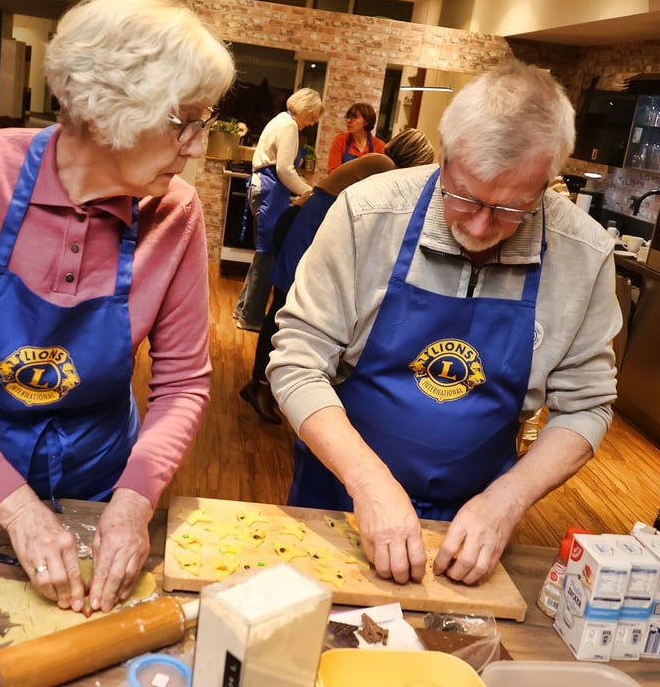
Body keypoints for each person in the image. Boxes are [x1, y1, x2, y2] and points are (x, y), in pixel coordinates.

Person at [0, 0, 235, 614]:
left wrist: (133, 502)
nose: (199, 146)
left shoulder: (176, 213)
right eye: (186, 122)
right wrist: (16, 510)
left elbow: (182, 384)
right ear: (105, 111)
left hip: (91, 489)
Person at [267, 61, 621, 587]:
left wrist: (506, 501)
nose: (481, 226)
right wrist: (368, 483)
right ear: (445, 153)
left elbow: (587, 405)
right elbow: (297, 362)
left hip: (474, 521)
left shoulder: (584, 254)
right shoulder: (367, 215)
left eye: (512, 209)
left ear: (549, 183)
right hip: (339, 495)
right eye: (466, 196)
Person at [240, 129, 436, 424]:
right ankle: (262, 387)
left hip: (309, 224)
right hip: (311, 229)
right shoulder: (383, 167)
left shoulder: (377, 162)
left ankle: (259, 385)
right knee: (284, 308)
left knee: (283, 304)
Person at [233, 88, 322, 332]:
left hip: (263, 189)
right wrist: (309, 192)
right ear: (304, 109)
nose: (311, 122)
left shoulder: (280, 120)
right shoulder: (289, 126)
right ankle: (250, 318)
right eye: (312, 116)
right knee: (268, 256)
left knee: (262, 255)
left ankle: (243, 308)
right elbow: (284, 170)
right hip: (271, 192)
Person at [327, 103, 386, 174]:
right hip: (343, 184)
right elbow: (333, 172)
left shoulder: (379, 145)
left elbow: (380, 175)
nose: (348, 121)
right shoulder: (340, 140)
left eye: (354, 117)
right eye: (348, 117)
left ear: (367, 121)